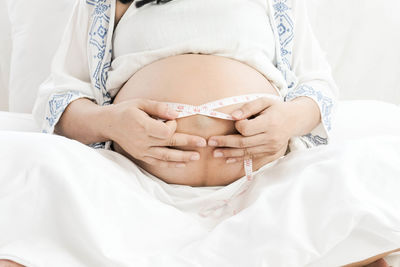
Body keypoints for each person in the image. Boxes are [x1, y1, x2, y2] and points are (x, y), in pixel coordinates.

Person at [0, 0, 399, 266]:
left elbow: (318, 86)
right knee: (18, 163)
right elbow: (59, 94)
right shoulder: (109, 3)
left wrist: (286, 123)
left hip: (264, 185)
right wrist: (112, 123)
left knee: (379, 169)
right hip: (130, 187)